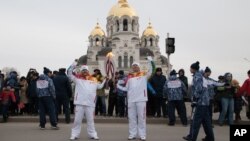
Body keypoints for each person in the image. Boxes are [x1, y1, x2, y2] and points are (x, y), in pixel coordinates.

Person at [68, 61, 107, 140]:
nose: (84, 72)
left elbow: (99, 87)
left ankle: (93, 134)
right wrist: (74, 64)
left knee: (90, 120)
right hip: (79, 103)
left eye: (86, 70)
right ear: (81, 72)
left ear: (88, 71)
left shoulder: (94, 79)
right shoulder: (77, 79)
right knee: (77, 120)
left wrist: (105, 80)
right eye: (83, 71)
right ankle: (74, 134)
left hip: (90, 103)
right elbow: (69, 73)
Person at [117, 56, 154, 141]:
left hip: (141, 99)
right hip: (131, 100)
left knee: (141, 118)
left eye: (136, 66)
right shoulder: (129, 77)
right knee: (132, 118)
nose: (135, 67)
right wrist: (118, 86)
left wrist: (150, 62)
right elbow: (126, 88)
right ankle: (132, 134)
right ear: (132, 68)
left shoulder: (144, 75)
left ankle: (142, 135)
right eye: (133, 66)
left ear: (139, 67)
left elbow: (151, 71)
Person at [183, 61, 214, 141]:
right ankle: (210, 138)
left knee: (195, 121)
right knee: (206, 122)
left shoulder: (197, 77)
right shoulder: (201, 76)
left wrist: (195, 100)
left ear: (193, 69)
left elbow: (199, 89)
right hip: (205, 102)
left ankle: (192, 137)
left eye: (190, 68)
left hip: (200, 102)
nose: (189, 69)